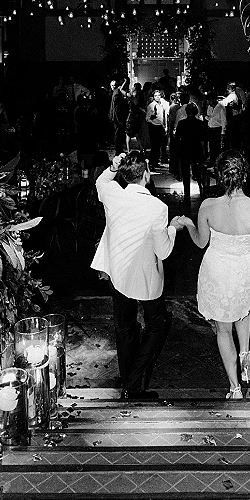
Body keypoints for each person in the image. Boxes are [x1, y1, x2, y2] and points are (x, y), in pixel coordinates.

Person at [180, 150, 250, 399]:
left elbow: (201, 242)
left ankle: (235, 388)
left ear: (220, 177)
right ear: (245, 175)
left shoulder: (208, 206)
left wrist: (189, 224)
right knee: (242, 309)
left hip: (218, 269)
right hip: (245, 268)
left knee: (224, 329)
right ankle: (245, 356)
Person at [91, 151, 185, 399]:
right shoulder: (157, 208)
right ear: (146, 175)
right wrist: (173, 229)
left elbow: (101, 181)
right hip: (144, 276)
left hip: (117, 272)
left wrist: (112, 167)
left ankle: (128, 378)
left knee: (125, 327)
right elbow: (163, 251)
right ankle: (132, 382)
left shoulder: (113, 195)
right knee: (157, 325)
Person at [174, 102, 206, 208]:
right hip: (196, 150)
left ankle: (187, 199)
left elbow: (177, 138)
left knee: (186, 175)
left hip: (185, 150)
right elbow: (203, 139)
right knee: (199, 174)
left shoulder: (182, 123)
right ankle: (203, 196)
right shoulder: (200, 123)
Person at [146, 88, 170, 167]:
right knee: (154, 146)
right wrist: (153, 122)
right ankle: (152, 162)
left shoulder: (161, 105)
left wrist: (164, 126)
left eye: (159, 95)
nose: (157, 97)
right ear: (153, 97)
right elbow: (147, 118)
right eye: (156, 96)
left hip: (160, 126)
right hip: (154, 127)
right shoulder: (151, 106)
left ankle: (155, 162)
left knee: (158, 145)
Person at [109, 77, 129, 155]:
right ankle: (118, 150)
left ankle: (119, 149)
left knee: (118, 134)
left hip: (117, 118)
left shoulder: (116, 93)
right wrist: (118, 119)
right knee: (118, 134)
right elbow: (116, 109)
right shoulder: (116, 94)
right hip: (117, 119)